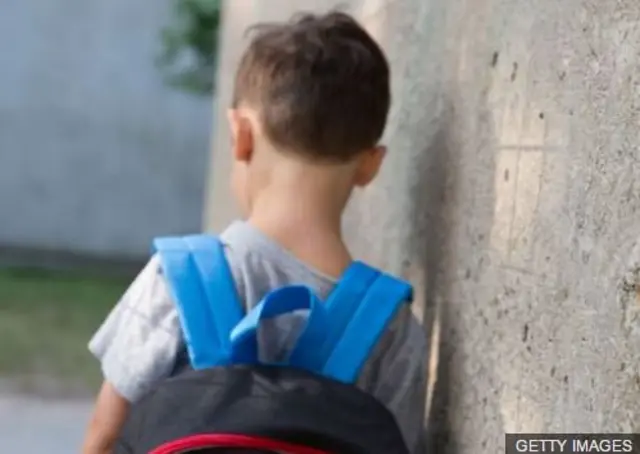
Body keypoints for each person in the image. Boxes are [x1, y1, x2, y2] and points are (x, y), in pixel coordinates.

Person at [82, 10, 427, 454]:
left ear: (240, 134)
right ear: (369, 165)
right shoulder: (393, 330)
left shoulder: (178, 279)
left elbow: (104, 433)